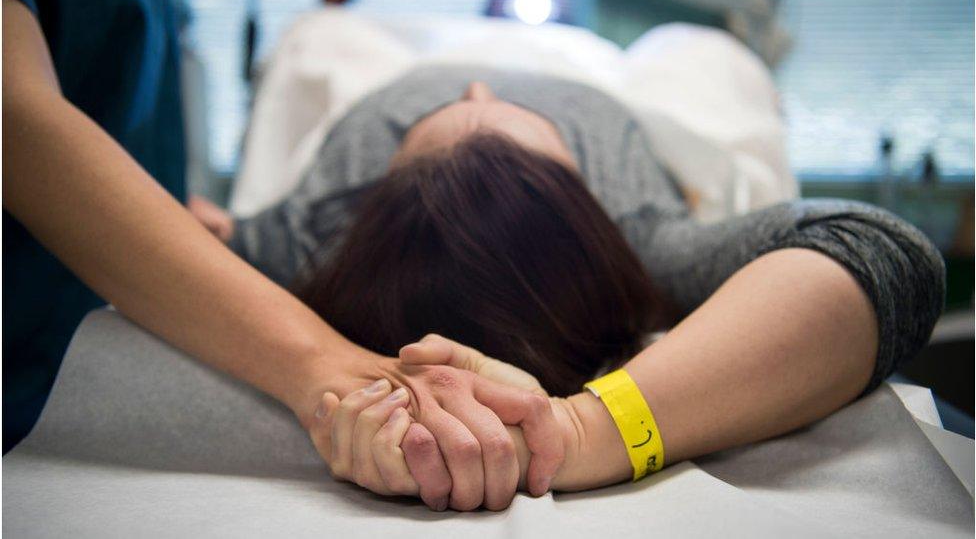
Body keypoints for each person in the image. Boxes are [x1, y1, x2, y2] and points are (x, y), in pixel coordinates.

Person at [201, 67, 945, 499]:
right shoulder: (641, 238)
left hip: (572, 68)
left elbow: (881, 253)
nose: (477, 85)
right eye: (469, 112)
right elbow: (881, 251)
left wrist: (576, 431)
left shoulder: (309, 236)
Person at [2, 0, 564, 513]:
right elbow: (12, 112)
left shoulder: (637, 218)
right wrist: (336, 368)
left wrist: (168, 213)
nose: (476, 91)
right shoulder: (316, 224)